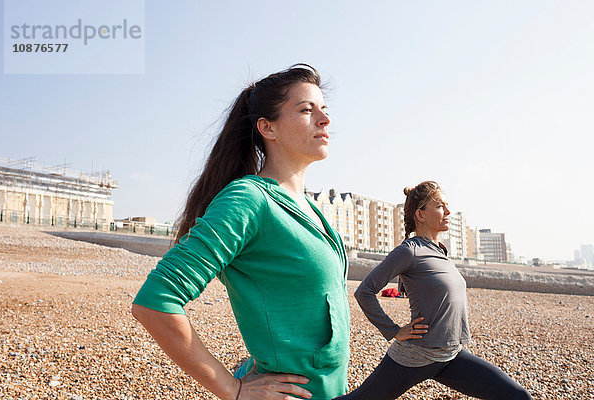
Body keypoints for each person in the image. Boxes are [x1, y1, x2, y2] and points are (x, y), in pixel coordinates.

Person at [131, 64, 350, 400]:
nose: (324, 119)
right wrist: (233, 389)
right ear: (268, 127)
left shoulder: (310, 208)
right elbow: (156, 301)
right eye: (306, 110)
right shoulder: (249, 199)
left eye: (324, 109)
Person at [334, 181, 531, 400]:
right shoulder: (410, 251)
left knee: (517, 396)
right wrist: (394, 330)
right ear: (421, 214)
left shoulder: (440, 251)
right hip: (415, 356)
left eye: (447, 206)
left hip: (450, 356)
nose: (448, 212)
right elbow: (364, 291)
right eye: (440, 206)